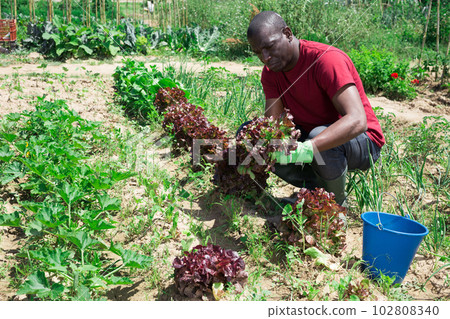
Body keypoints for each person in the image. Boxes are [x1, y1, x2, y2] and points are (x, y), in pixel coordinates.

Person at [246, 11, 385, 206]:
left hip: (362, 143)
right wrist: (269, 143)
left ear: (287, 33)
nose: (265, 57)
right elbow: (273, 126)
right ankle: (316, 192)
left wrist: (308, 148)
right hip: (313, 137)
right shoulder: (271, 73)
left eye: (269, 46)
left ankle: (334, 205)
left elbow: (357, 120)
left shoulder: (326, 60)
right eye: (258, 52)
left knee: (320, 139)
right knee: (257, 138)